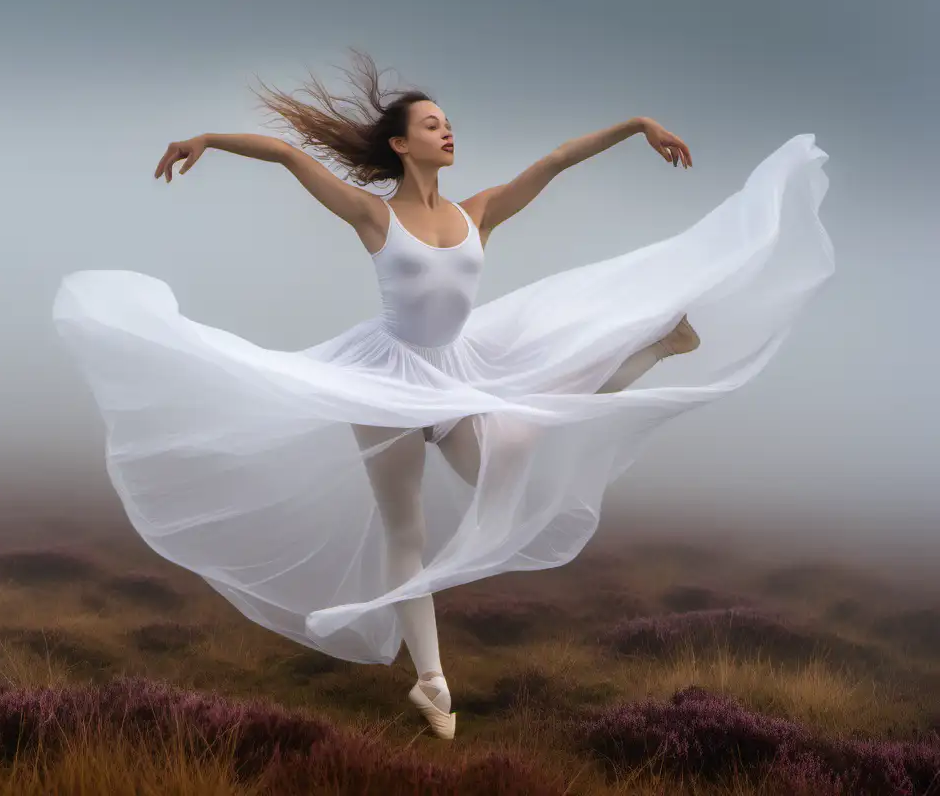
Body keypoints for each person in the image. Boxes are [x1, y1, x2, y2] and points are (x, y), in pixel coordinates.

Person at [53, 49, 834, 740]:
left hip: (454, 373)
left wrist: (636, 125)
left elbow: (558, 160)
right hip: (383, 381)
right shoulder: (373, 214)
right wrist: (208, 141)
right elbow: (291, 157)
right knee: (406, 530)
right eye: (432, 125)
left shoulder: (477, 212)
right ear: (400, 144)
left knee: (516, 458)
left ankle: (658, 347)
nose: (447, 132)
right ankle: (431, 682)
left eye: (448, 122)